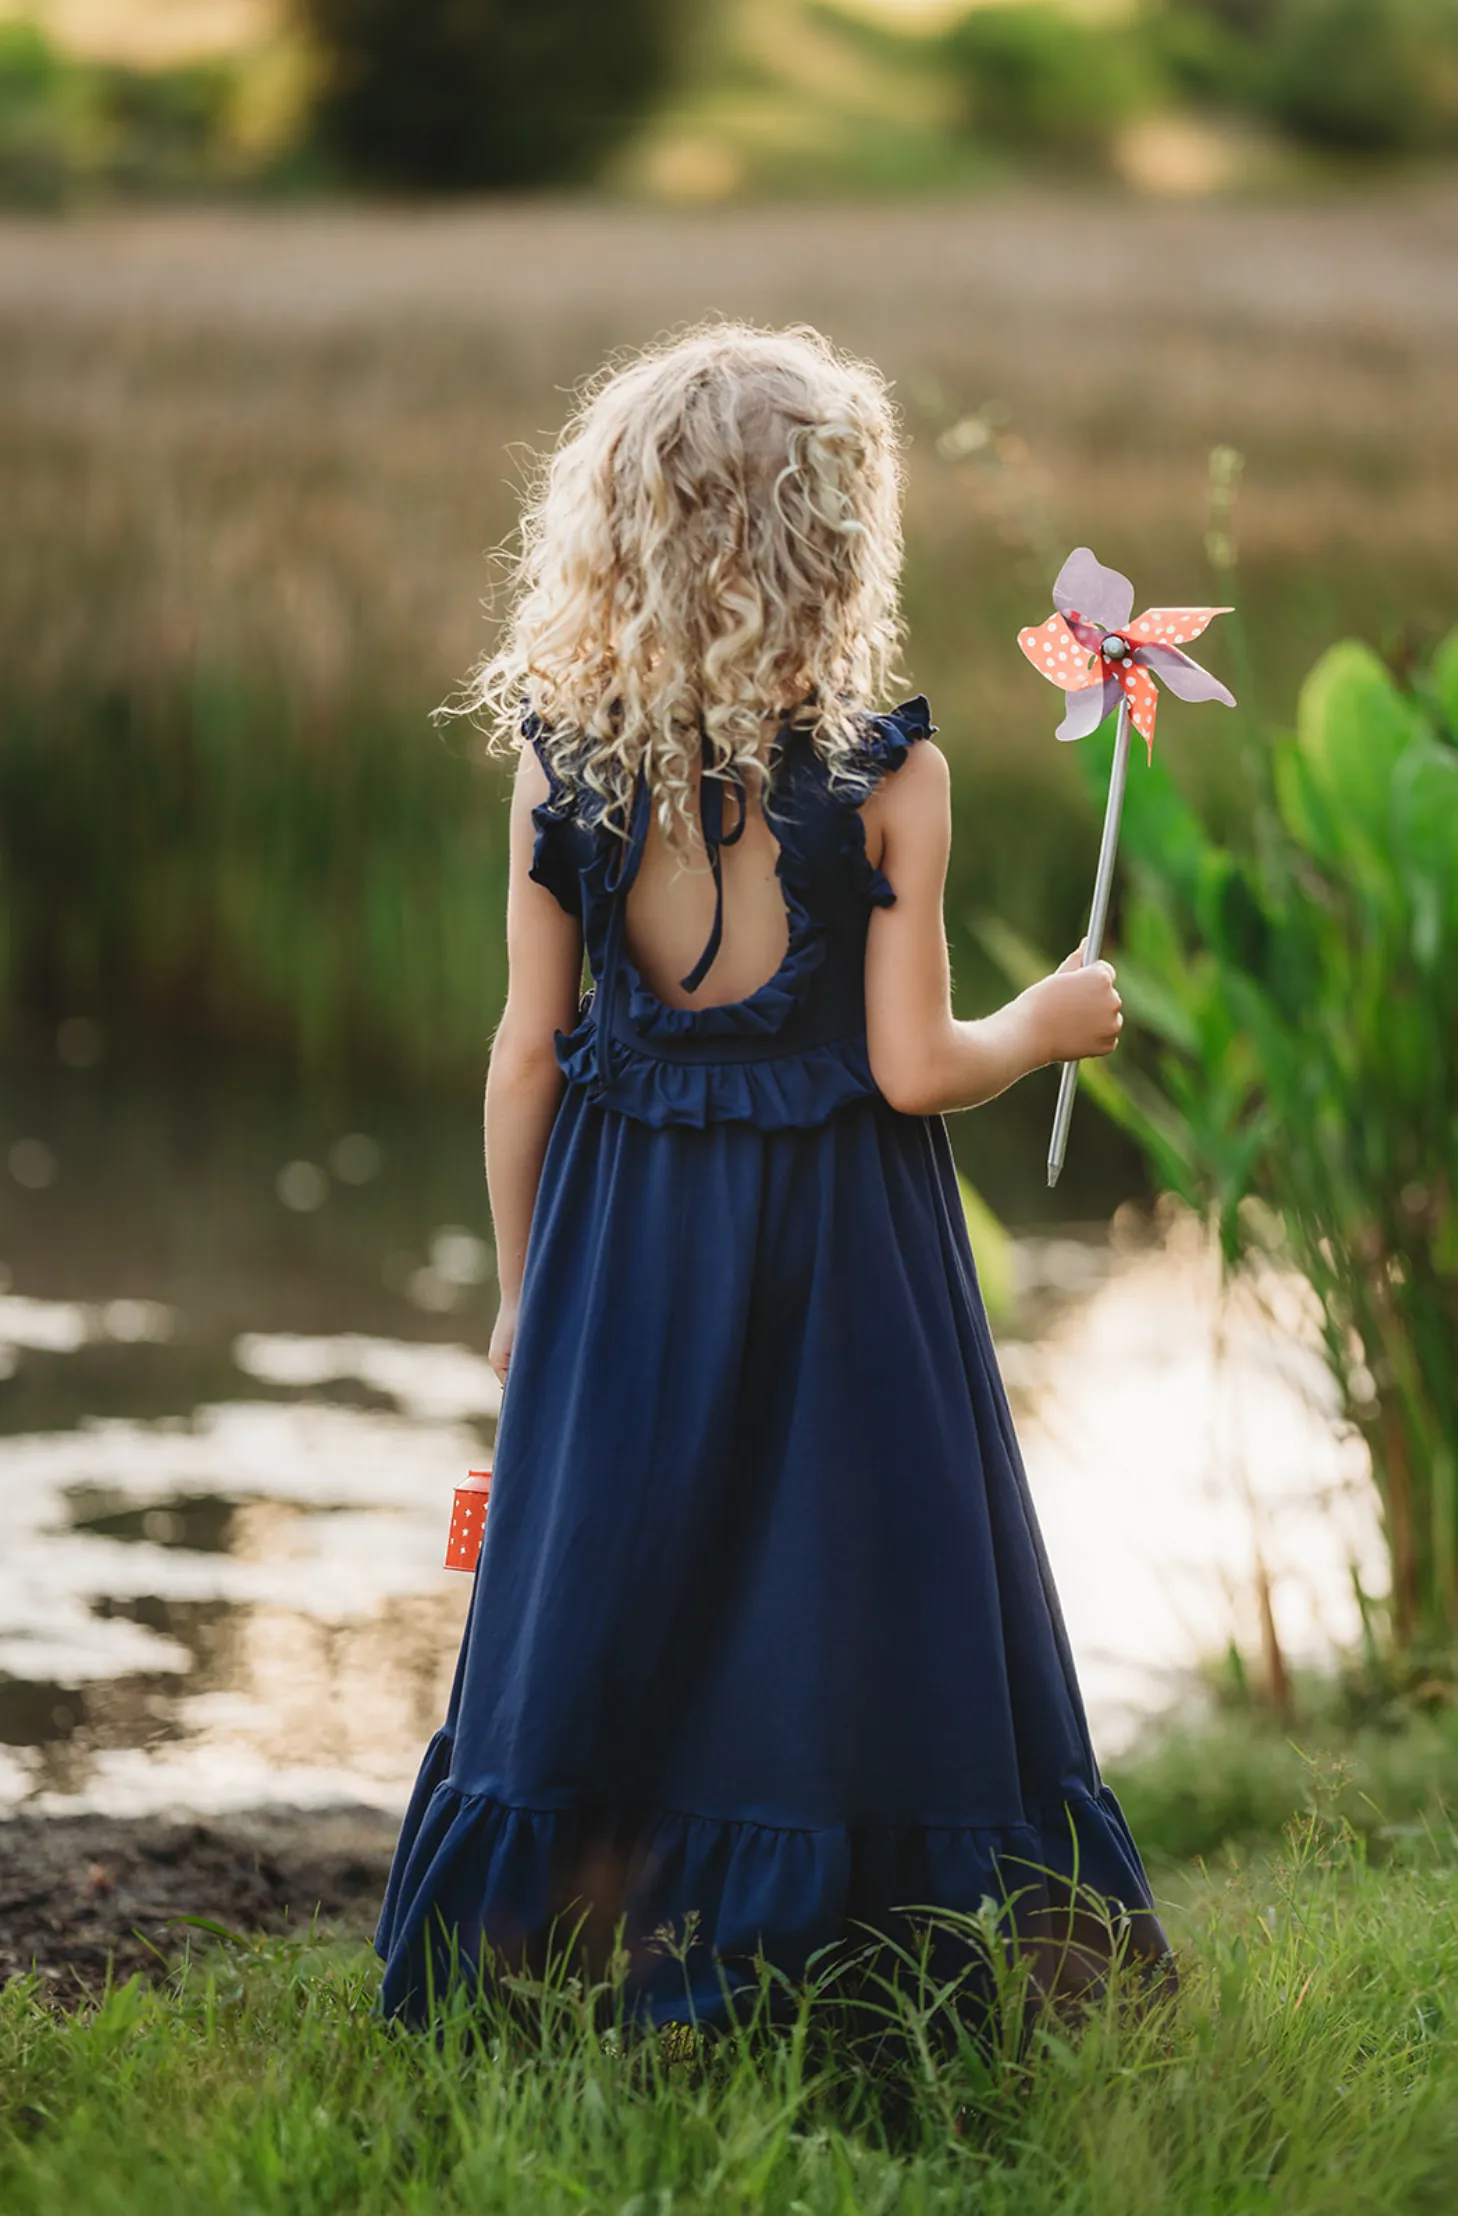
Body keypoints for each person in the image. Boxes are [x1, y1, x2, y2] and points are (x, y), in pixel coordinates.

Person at [376, 321, 1173, 2029]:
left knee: (620, 1573)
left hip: (618, 1242)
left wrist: (523, 1292)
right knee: (832, 1589)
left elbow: (523, 1055)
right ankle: (861, 1957)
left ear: (618, 531)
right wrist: (1042, 1023)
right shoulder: (893, 779)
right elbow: (908, 1068)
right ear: (835, 540)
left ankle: (557, 1959)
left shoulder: (555, 762)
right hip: (839, 1256)